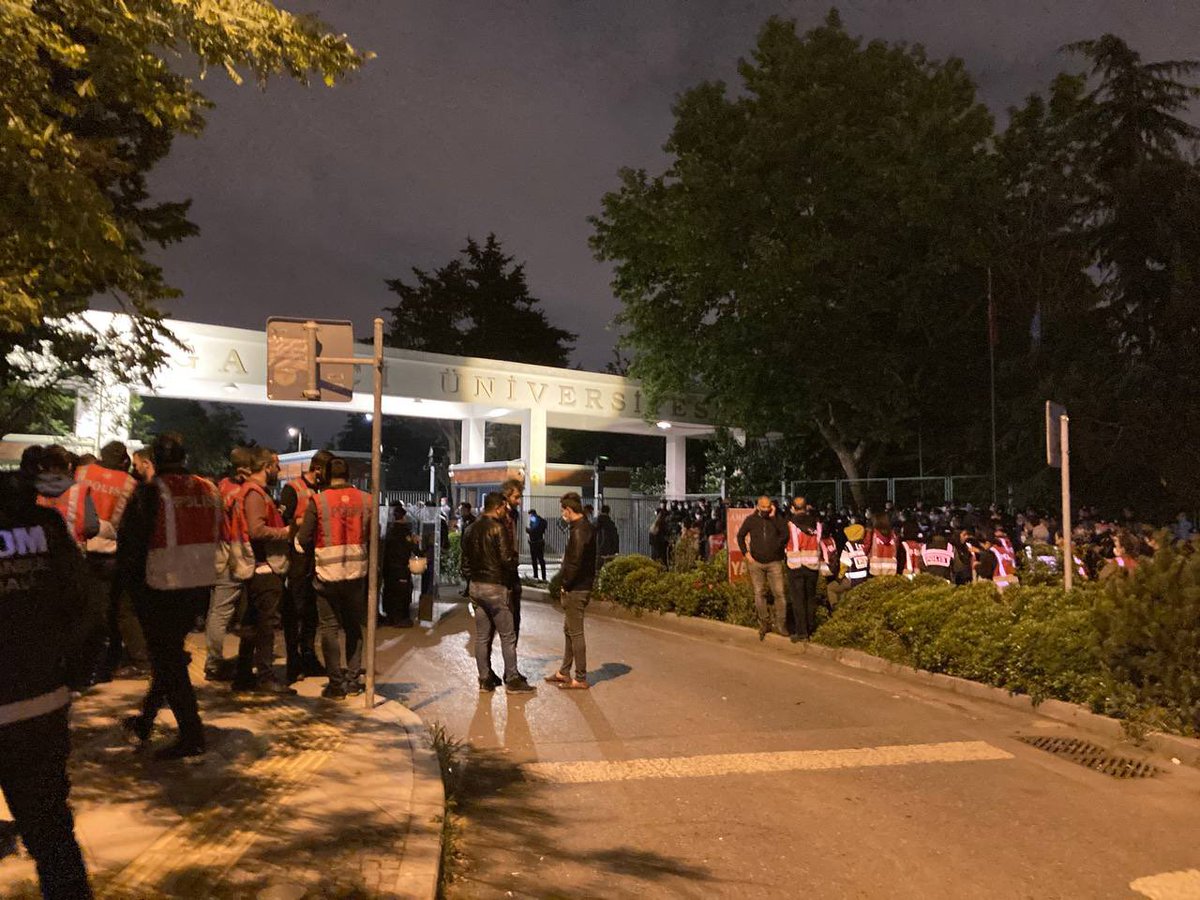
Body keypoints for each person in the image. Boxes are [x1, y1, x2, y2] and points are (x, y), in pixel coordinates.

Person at [0, 462, 94, 898]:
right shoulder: (46, 526)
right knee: (52, 832)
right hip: (41, 703)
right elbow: (83, 607)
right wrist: (70, 676)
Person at [117, 432, 222, 760]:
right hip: (199, 584)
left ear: (156, 460)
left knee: (169, 660)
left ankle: (192, 734)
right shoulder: (207, 488)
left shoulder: (151, 492)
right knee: (169, 656)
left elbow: (131, 544)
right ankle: (146, 721)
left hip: (160, 586)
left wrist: (129, 591)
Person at [297, 455, 372, 700]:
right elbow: (374, 535)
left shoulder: (318, 501)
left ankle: (336, 685)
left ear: (327, 476)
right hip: (356, 574)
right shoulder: (366, 500)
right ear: (349, 475)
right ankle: (352, 681)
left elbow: (305, 537)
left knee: (329, 628)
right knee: (353, 627)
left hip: (326, 575)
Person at [77, 441, 149, 683]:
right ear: (123, 461)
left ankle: (95, 664)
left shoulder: (82, 472)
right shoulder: (130, 484)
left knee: (93, 609)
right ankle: (130, 659)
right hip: (114, 552)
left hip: (83, 548)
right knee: (120, 609)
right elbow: (136, 521)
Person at [230, 447, 292, 694]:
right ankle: (265, 677)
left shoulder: (253, 492)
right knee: (266, 626)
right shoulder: (255, 493)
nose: (278, 470)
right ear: (266, 467)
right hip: (264, 568)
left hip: (256, 567)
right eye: (276, 465)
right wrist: (285, 532)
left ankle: (243, 675)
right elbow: (256, 530)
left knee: (252, 624)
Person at [460, 492, 534, 693]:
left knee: (482, 636)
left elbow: (464, 563)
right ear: (499, 507)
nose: (505, 512)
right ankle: (512, 678)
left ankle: (484, 679)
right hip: (495, 587)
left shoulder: (469, 529)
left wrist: (470, 582)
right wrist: (514, 562)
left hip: (476, 587)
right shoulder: (498, 528)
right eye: (504, 508)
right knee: (507, 636)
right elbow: (506, 560)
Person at [279, 449, 333, 683]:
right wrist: (309, 520)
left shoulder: (322, 491)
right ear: (318, 469)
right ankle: (294, 661)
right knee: (296, 609)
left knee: (313, 611)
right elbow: (284, 521)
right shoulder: (293, 489)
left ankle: (309, 657)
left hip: (317, 556)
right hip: (298, 556)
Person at [204, 447, 251, 681]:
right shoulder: (245, 492)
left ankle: (213, 661)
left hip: (219, 552)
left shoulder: (219, 487)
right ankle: (215, 664)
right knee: (225, 613)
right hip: (237, 555)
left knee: (217, 611)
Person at [547, 492, 595, 689]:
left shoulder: (579, 531)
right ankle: (564, 672)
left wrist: (565, 584)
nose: (562, 514)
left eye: (562, 510)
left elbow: (574, 563)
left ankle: (580, 677)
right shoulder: (582, 528)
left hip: (577, 589)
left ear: (568, 510)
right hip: (578, 586)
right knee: (569, 630)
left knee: (575, 633)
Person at [736, 495, 789, 640]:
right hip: (756, 563)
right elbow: (740, 536)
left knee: (780, 593)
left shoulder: (777, 519)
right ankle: (764, 622)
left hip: (775, 562)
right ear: (758, 506)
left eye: (768, 507)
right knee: (759, 593)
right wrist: (746, 554)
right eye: (763, 507)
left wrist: (774, 517)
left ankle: (781, 624)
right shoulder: (751, 520)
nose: (766, 510)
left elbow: (785, 535)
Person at [784, 505, 822, 642]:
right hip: (812, 565)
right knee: (810, 598)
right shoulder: (817, 525)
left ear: (794, 508)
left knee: (798, 600)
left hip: (795, 566)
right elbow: (818, 543)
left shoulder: (791, 525)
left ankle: (802, 632)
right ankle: (811, 629)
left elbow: (787, 544)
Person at [382, 504, 418, 626]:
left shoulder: (388, 530)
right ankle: (400, 618)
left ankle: (390, 617)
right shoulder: (405, 531)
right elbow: (412, 548)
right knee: (402, 592)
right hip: (401, 567)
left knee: (389, 591)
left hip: (388, 567)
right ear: (404, 516)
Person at [500, 477, 525, 637]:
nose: (519, 501)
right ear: (507, 496)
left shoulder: (513, 514)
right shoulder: (501, 516)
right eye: (516, 497)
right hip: (503, 570)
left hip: (511, 566)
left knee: (515, 611)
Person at [826, 522, 869, 608]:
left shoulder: (848, 546)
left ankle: (835, 608)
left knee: (831, 588)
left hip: (851, 580)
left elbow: (844, 565)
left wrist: (839, 578)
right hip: (864, 579)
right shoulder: (864, 545)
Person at [594, 503, 620, 570]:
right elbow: (615, 538)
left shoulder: (595, 523)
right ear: (608, 512)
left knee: (597, 571)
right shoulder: (611, 524)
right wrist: (616, 550)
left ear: (601, 511)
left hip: (596, 551)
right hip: (609, 552)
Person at [526, 508, 548, 581]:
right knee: (541, 559)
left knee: (534, 560)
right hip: (540, 542)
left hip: (534, 543)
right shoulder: (542, 520)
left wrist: (528, 530)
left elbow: (533, 530)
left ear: (532, 514)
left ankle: (536, 575)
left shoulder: (534, 519)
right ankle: (543, 577)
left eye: (530, 515)